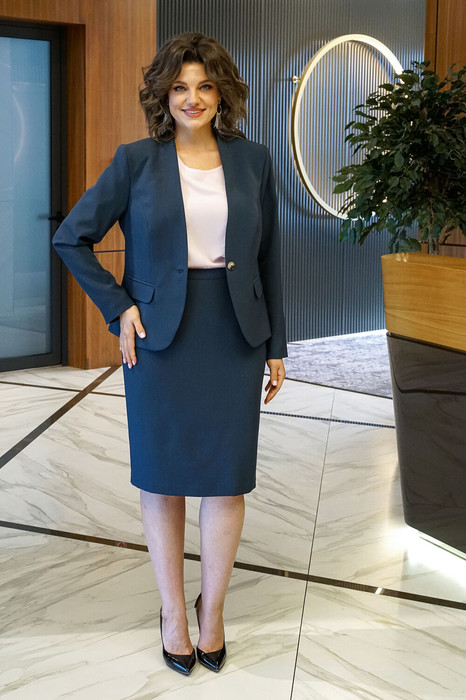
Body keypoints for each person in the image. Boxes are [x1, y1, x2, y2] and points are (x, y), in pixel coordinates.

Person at [52, 32, 287, 676]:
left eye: (205, 86)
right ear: (163, 94)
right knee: (163, 477)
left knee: (226, 477)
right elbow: (72, 238)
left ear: (223, 94)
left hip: (235, 335)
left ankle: (213, 612)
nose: (193, 98)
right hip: (158, 338)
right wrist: (119, 307)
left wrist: (276, 345)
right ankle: (173, 614)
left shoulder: (254, 161)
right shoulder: (136, 161)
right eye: (180, 87)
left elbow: (269, 257)